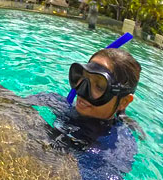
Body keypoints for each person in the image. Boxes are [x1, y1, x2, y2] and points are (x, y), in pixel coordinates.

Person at [26, 48, 144, 179]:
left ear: (124, 101)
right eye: (83, 78)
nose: (82, 91)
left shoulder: (116, 148)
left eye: (99, 86)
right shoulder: (55, 102)